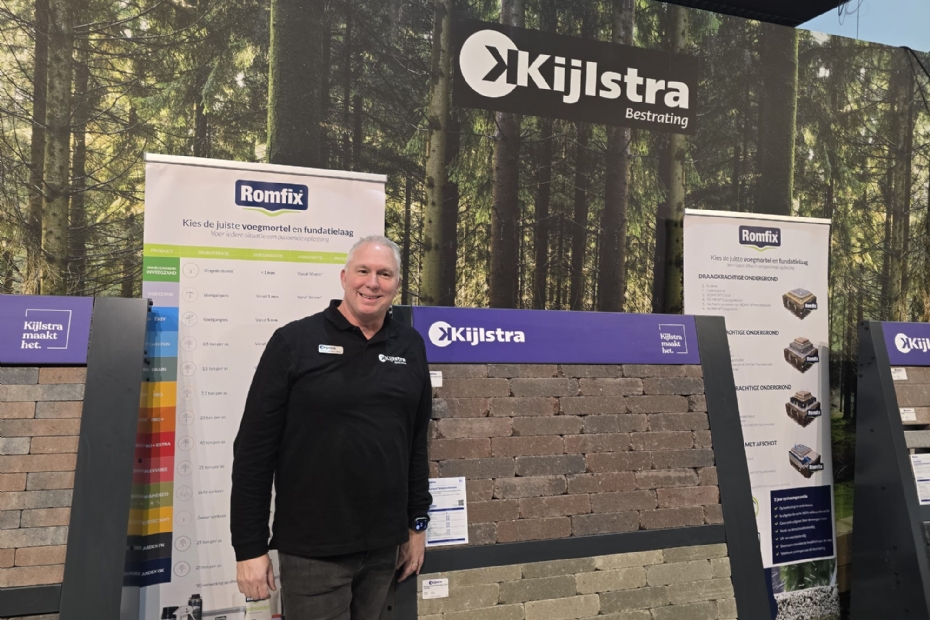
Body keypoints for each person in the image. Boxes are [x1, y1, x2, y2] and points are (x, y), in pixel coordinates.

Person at [231, 235, 433, 619]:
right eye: (363, 271)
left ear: (396, 284)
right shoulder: (294, 342)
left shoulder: (410, 345)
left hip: (383, 548)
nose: (372, 283)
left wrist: (416, 525)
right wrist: (249, 547)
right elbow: (253, 451)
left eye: (384, 274)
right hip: (313, 551)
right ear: (344, 277)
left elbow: (414, 443)